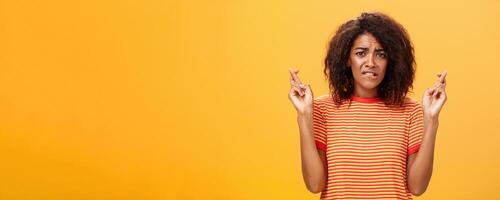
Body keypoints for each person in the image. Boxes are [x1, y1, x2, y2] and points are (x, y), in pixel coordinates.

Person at [287, 12, 447, 199]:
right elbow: (314, 184)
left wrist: (432, 120)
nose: (370, 63)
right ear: (347, 59)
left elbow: (417, 187)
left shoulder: (410, 111)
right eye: (361, 53)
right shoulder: (323, 109)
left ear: (391, 61)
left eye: (381, 54)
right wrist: (304, 115)